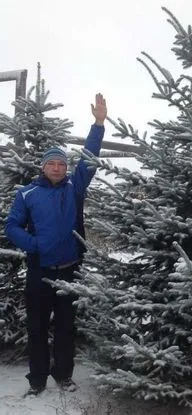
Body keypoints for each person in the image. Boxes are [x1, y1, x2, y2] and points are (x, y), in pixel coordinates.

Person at [5, 93, 107, 396]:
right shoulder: (26, 194)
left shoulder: (75, 186)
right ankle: (37, 380)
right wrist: (33, 245)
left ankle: (63, 375)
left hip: (69, 270)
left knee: (65, 327)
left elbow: (89, 157)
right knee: (36, 328)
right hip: (39, 270)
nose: (58, 168)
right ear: (43, 167)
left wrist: (98, 124)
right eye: (52, 163)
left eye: (61, 164)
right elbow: (12, 226)